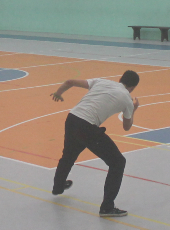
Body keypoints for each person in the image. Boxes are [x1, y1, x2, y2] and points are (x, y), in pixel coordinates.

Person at [50, 71, 140, 217]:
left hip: (72, 118)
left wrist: (58, 93)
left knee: (68, 155)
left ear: (120, 79)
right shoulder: (127, 99)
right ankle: (107, 207)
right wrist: (133, 109)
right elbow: (126, 126)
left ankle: (58, 186)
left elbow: (69, 82)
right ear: (133, 87)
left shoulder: (102, 81)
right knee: (118, 162)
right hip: (87, 127)